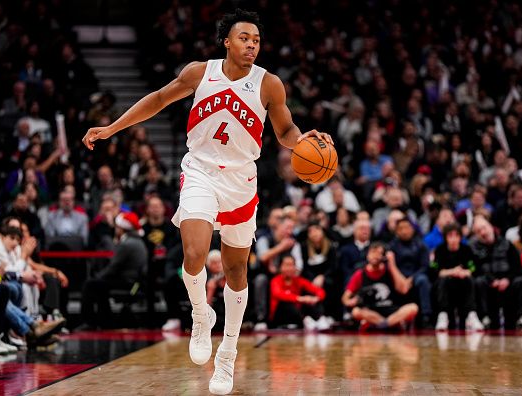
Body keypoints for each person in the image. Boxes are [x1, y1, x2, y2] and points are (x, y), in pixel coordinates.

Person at [83, 9, 333, 395]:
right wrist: (113, 127)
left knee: (236, 272)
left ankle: (228, 352)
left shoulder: (269, 85)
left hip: (240, 181)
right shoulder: (200, 73)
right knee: (194, 254)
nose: (252, 45)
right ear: (227, 42)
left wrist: (302, 141)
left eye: (257, 40)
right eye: (244, 38)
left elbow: (284, 130)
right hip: (199, 170)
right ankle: (201, 314)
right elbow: (159, 100)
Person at [342, 242, 418, 331]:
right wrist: (351, 302)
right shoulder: (360, 274)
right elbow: (345, 298)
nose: (375, 256)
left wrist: (392, 265)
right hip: (371, 311)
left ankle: (382, 324)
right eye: (372, 252)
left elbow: (404, 290)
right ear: (367, 255)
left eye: (379, 253)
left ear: (384, 256)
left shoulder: (390, 270)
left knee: (413, 308)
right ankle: (391, 324)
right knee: (356, 312)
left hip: (391, 309)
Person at [269, 255, 326, 330]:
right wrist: (299, 298)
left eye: (292, 265)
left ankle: (319, 318)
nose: (289, 268)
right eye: (287, 265)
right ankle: (306, 321)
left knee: (310, 298)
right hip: (279, 316)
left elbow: (319, 291)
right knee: (286, 302)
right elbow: (278, 294)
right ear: (280, 267)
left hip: (296, 314)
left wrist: (316, 299)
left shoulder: (299, 280)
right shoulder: (275, 281)